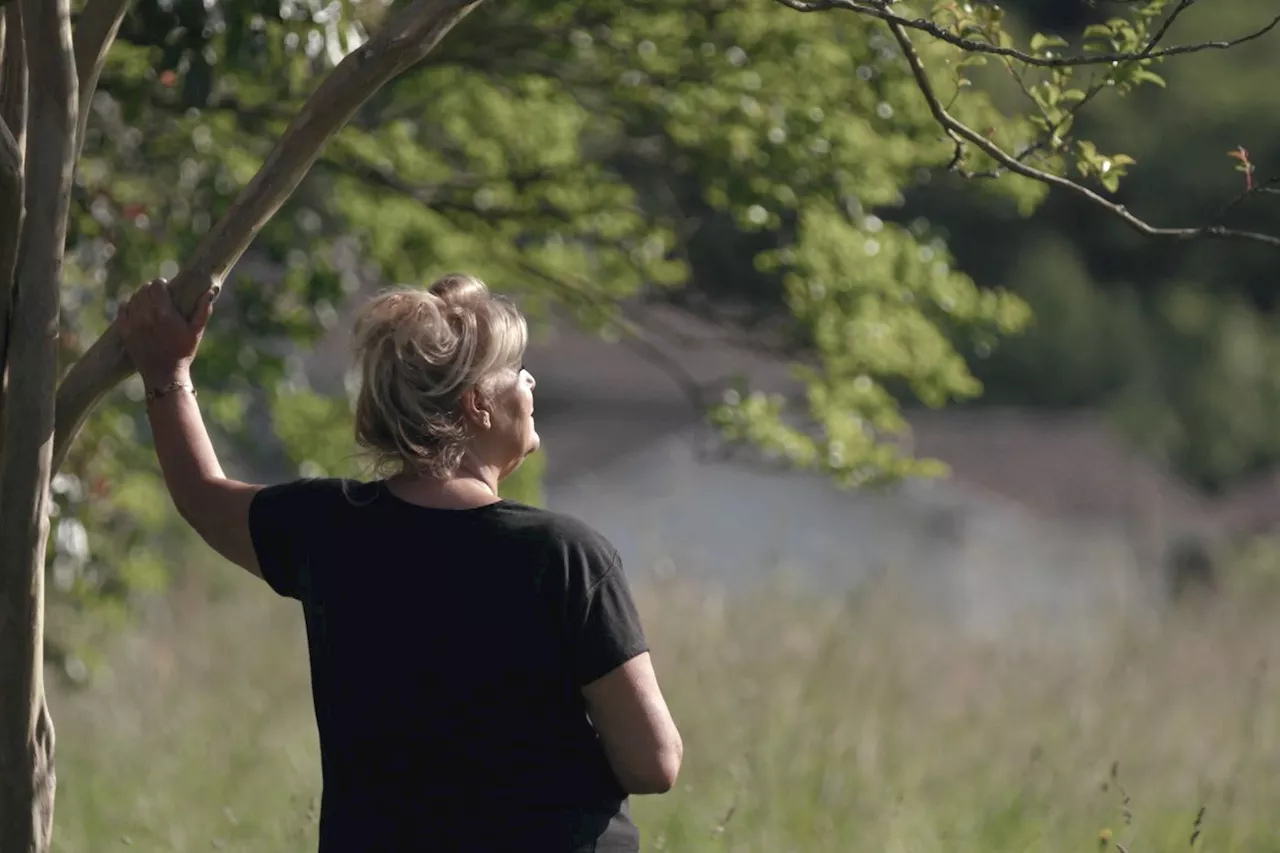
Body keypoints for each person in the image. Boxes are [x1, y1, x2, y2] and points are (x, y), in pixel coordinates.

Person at [118, 273, 683, 852]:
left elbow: (203, 499)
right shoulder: (565, 557)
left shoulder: (328, 528)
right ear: (479, 405)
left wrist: (166, 375)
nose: (531, 385)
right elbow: (654, 764)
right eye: (520, 372)